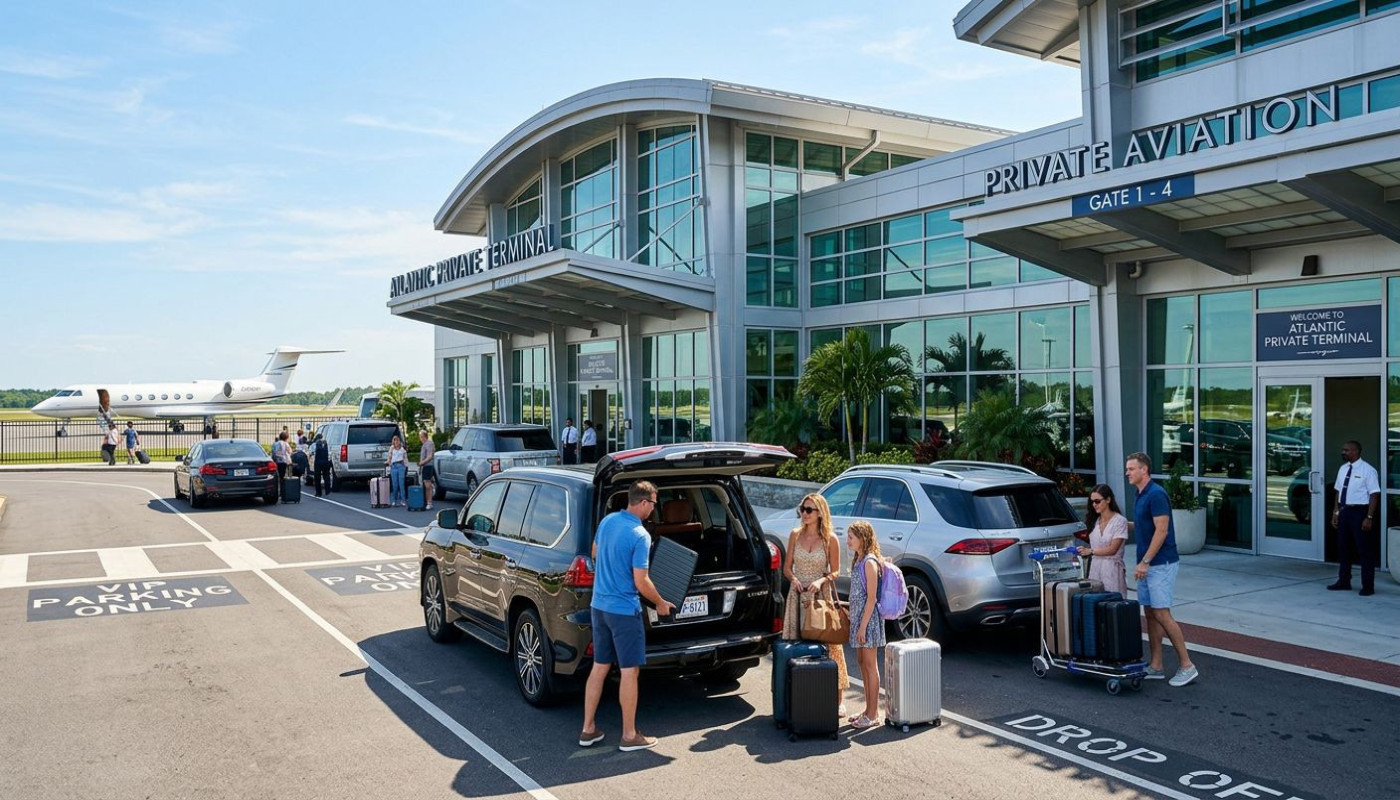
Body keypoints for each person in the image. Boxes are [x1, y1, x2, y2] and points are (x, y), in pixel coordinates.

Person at [580, 480, 675, 752]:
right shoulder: (640, 535)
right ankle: (630, 735)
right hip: (624, 612)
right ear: (644, 503)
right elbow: (641, 581)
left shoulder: (608, 521)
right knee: (629, 671)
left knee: (600, 667)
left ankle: (588, 729)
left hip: (599, 607)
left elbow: (595, 553)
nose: (653, 510)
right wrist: (659, 603)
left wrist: (609, 573)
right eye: (654, 505)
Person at [1126, 451, 1198, 687]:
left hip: (1160, 564)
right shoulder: (1140, 494)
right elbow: (1147, 525)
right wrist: (1123, 524)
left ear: (1144, 470)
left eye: (1131, 469)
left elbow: (1162, 530)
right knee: (1151, 613)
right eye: (1127, 469)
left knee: (1162, 613)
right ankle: (1156, 666)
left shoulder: (1156, 494)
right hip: (1147, 564)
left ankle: (1187, 666)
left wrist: (1145, 562)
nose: (1128, 472)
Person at [781, 492, 848, 717]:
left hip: (821, 598)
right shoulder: (795, 535)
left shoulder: (831, 539)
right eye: (803, 508)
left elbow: (837, 571)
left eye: (809, 509)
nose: (804, 513)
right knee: (798, 645)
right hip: (798, 597)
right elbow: (786, 567)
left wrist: (821, 580)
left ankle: (838, 699)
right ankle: (801, 694)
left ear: (820, 513)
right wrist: (794, 579)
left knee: (831, 648)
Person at [1328, 440, 1381, 597]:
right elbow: (1338, 490)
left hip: (1360, 512)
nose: (1343, 452)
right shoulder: (1343, 469)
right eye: (1343, 450)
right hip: (1344, 511)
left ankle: (1368, 585)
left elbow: (1374, 495)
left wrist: (1369, 517)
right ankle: (1344, 581)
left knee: (1364, 550)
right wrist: (1335, 512)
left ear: (1356, 451)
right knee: (1343, 548)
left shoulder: (1368, 470)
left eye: (1346, 450)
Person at [846, 519, 885, 730]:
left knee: (870, 665)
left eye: (851, 537)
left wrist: (862, 626)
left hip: (868, 622)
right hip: (860, 620)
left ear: (863, 538)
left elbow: (871, 598)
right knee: (862, 662)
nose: (848, 541)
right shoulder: (859, 560)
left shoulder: (870, 562)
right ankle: (868, 709)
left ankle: (873, 714)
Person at [1078, 483, 1129, 595]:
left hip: (1112, 569)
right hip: (1095, 569)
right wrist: (1084, 550)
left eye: (1097, 501)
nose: (1094, 505)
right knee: (1095, 605)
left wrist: (1091, 551)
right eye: (1092, 502)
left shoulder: (1119, 521)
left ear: (1108, 499)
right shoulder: (1094, 521)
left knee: (1112, 605)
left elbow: (1113, 549)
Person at [386, 434, 408, 507]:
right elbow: (389, 457)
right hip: (394, 466)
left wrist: (405, 466)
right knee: (395, 484)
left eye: (397, 440)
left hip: (401, 466)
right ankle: (394, 500)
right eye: (395, 441)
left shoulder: (402, 449)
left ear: (399, 441)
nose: (396, 442)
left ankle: (403, 500)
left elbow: (405, 458)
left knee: (401, 484)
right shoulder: (392, 448)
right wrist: (389, 463)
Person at [417, 430, 436, 510]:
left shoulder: (429, 444)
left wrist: (422, 462)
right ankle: (426, 501)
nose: (420, 438)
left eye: (421, 437)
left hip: (428, 466)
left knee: (428, 484)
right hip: (424, 466)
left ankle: (429, 502)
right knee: (425, 484)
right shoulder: (424, 444)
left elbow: (430, 456)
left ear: (424, 436)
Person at [271, 431, 292, 496]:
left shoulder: (275, 443)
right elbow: (289, 452)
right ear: (286, 438)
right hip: (283, 461)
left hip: (276, 461)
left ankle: (276, 491)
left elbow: (273, 452)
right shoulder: (285, 444)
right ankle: (282, 492)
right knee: (282, 478)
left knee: (277, 477)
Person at [312, 433, 332, 497]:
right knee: (326, 476)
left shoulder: (315, 444)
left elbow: (313, 451)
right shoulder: (326, 443)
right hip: (325, 461)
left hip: (318, 462)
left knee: (317, 478)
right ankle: (327, 491)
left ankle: (318, 492)